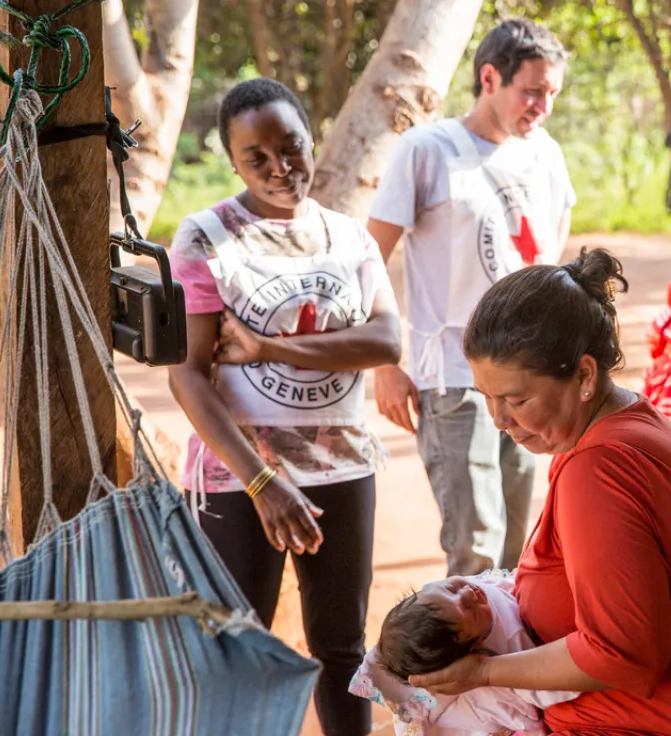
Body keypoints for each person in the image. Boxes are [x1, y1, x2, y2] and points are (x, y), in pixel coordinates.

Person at [405, 249, 671, 736]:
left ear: (584, 376)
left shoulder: (599, 468)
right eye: (488, 399)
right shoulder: (622, 427)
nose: (499, 421)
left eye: (516, 400)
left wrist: (480, 673)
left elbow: (623, 657)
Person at [167, 77, 401, 735]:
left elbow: (387, 338)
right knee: (239, 648)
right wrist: (263, 482)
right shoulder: (207, 238)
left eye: (290, 147)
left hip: (342, 467)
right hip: (239, 477)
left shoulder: (348, 238)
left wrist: (269, 345)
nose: (280, 168)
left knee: (342, 648)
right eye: (257, 158)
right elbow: (188, 376)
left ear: (311, 136)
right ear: (234, 162)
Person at [367, 18, 577, 578]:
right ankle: (466, 667)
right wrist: (385, 363)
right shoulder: (428, 150)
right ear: (490, 78)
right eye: (532, 91)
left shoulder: (546, 156)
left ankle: (509, 665)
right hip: (455, 380)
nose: (543, 106)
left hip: (531, 381)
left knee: (519, 553)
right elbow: (370, 256)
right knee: (476, 546)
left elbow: (549, 267)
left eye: (552, 93)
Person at [349, 571, 579, 736]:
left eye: (450, 589)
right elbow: (556, 686)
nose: (467, 592)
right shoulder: (509, 648)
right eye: (469, 610)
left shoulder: (451, 600)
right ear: (475, 648)